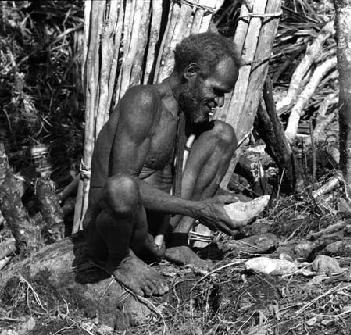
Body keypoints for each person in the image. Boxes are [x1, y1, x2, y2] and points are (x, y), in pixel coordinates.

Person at [83, 32, 243, 297]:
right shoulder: (144, 101)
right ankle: (121, 260)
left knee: (222, 135)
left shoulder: (181, 110)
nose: (220, 102)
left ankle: (177, 240)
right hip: (111, 232)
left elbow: (174, 173)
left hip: (154, 232)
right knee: (122, 187)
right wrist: (198, 209)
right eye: (216, 91)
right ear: (191, 72)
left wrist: (222, 201)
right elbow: (123, 186)